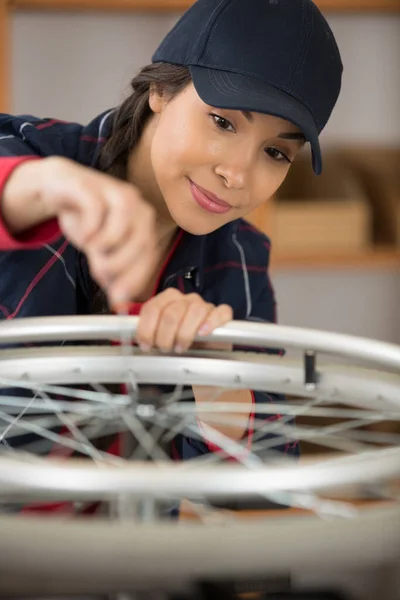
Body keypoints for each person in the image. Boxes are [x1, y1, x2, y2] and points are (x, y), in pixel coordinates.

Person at [0, 0, 342, 473]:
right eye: (222, 122)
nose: (237, 175)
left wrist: (216, 371)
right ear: (160, 88)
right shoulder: (35, 154)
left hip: (129, 544)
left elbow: (268, 469)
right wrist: (39, 187)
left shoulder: (240, 256)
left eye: (275, 153)